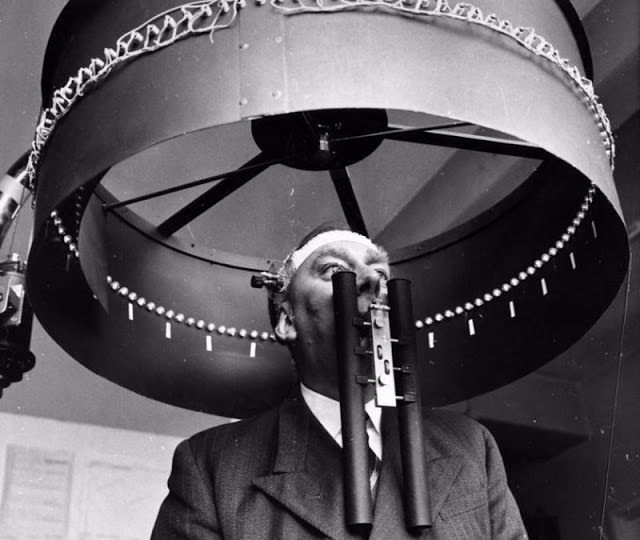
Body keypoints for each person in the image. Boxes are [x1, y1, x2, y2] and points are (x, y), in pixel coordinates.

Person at [151, 226, 528, 539]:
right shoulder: (212, 464)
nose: (370, 282)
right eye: (334, 271)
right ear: (287, 319)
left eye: (381, 275)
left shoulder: (470, 446)